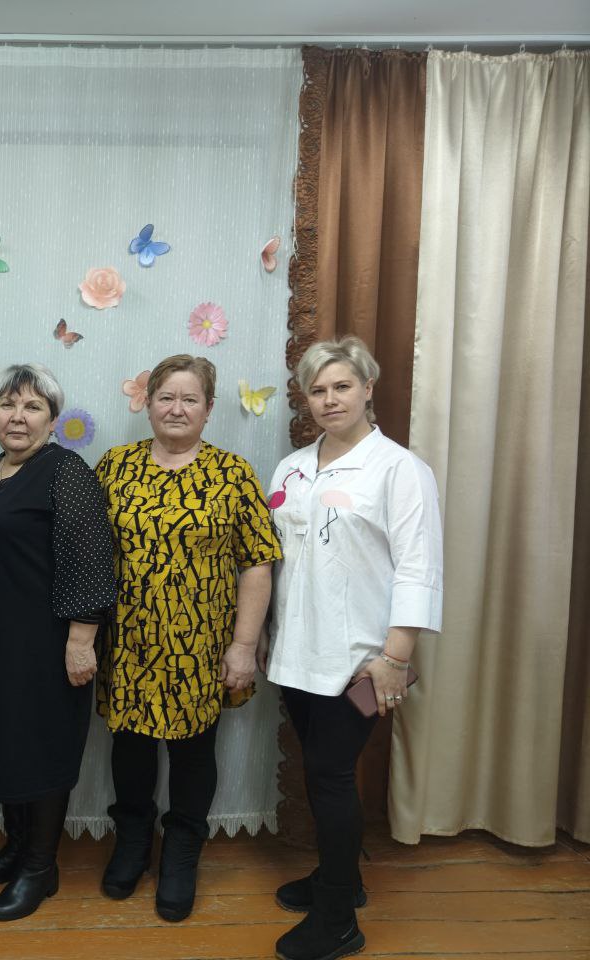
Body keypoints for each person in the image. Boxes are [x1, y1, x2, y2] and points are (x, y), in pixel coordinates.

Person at [264, 336, 442, 960]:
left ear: (368, 389)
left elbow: (418, 567)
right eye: (317, 389)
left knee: (332, 775)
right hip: (296, 651)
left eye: (342, 386)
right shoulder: (290, 467)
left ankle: (338, 917)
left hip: (361, 658)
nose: (329, 399)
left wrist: (394, 658)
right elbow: (280, 560)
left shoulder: (400, 469)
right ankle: (339, 877)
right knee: (318, 772)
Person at [96, 354, 281, 923]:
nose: (176, 409)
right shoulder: (114, 466)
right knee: (129, 748)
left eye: (189, 399)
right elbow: (88, 553)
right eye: (166, 397)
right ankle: (132, 842)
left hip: (201, 647)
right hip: (126, 643)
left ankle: (181, 851)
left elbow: (257, 564)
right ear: (148, 403)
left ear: (209, 408)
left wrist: (244, 645)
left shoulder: (233, 473)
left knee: (193, 751)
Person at [0, 364, 116, 921]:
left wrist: (81, 640)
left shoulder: (66, 472)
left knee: (43, 748)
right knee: (4, 744)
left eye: (32, 407)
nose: (17, 417)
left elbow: (90, 559)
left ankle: (41, 866)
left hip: (47, 645)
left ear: (52, 419)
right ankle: (17, 847)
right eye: (8, 405)